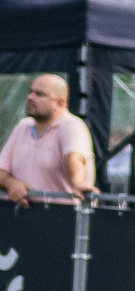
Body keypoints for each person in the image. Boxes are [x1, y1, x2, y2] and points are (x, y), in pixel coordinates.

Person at [0, 73, 95, 204]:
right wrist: (11, 184)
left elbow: (74, 158)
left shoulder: (72, 126)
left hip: (61, 214)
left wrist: (78, 184)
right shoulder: (23, 126)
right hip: (20, 214)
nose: (30, 97)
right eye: (30, 92)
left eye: (39, 94)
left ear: (61, 102)